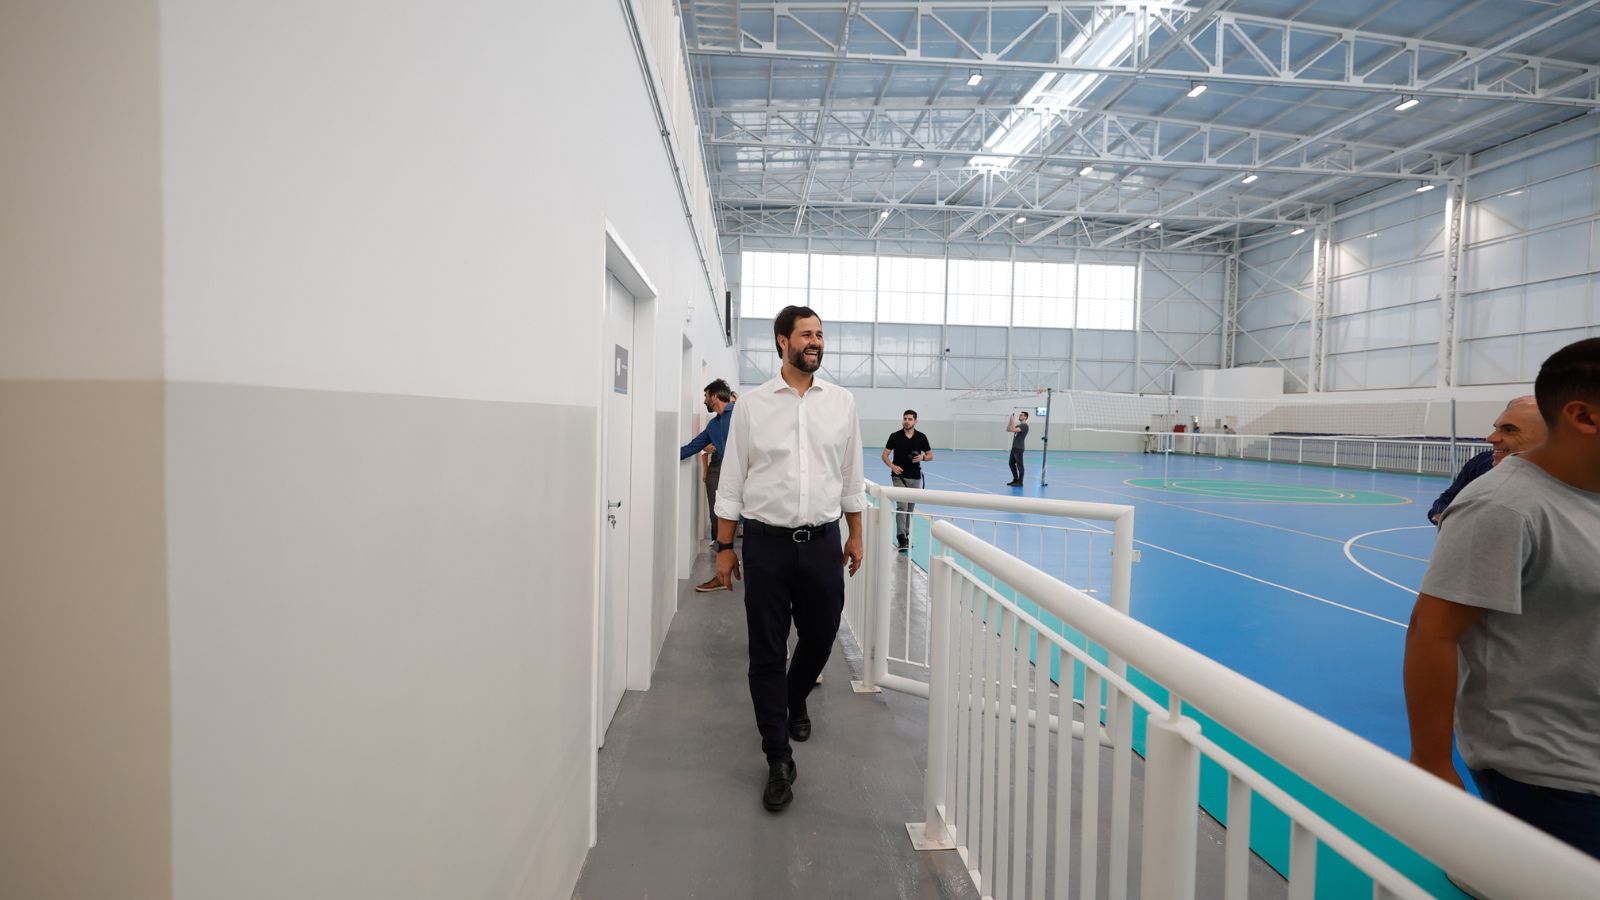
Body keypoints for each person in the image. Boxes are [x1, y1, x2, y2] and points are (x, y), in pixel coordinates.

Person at [1404, 337, 1600, 859]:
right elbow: (1431, 630)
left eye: (1508, 427)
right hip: (1553, 772)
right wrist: (1431, 761)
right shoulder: (1503, 505)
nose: (1493, 437)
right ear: (1585, 416)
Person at [713, 305, 866, 813]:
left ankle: (794, 697)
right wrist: (724, 548)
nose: (815, 342)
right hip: (766, 547)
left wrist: (856, 534)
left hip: (823, 542)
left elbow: (849, 475)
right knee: (765, 653)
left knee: (821, 638)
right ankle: (777, 758)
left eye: (820, 334)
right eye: (806, 335)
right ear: (782, 342)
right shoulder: (753, 406)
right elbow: (732, 481)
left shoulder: (841, 404)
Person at [1426, 396, 1547, 525]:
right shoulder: (1481, 463)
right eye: (1497, 429)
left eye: (1509, 430)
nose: (1491, 438)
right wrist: (1445, 520)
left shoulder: (1563, 484)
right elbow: (1447, 499)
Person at [679, 379, 735, 591]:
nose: (704, 400)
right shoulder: (713, 425)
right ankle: (721, 576)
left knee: (752, 523)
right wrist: (664, 454)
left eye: (705, 396)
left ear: (714, 396)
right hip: (723, 476)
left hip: (748, 478)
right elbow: (693, 447)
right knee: (718, 518)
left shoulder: (740, 414)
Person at [882, 410, 933, 551]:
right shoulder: (895, 436)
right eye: (905, 418)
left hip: (915, 477)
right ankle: (901, 538)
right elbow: (885, 455)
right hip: (899, 477)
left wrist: (923, 457)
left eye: (910, 419)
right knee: (902, 507)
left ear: (915, 421)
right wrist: (892, 466)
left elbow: (930, 455)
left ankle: (907, 534)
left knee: (910, 509)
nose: (907, 421)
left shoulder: (921, 437)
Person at [1005, 410, 1030, 486]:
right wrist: (1010, 420)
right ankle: (1015, 479)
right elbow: (1008, 429)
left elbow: (1013, 429)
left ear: (1025, 417)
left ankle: (1020, 482)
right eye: (1020, 415)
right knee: (1011, 464)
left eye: (1022, 415)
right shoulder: (1019, 425)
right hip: (1014, 448)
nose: (1020, 416)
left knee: (1020, 465)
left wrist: (1013, 420)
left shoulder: (1024, 426)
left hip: (1019, 448)